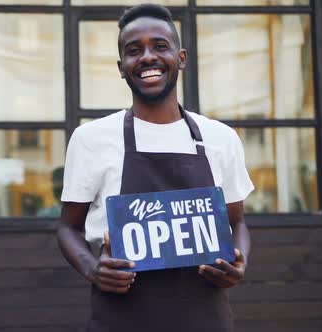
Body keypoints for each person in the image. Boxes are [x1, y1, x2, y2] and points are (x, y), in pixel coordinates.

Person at [57, 4, 254, 331]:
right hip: (120, 319)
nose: (147, 57)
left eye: (160, 46)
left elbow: (238, 223)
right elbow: (67, 228)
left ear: (181, 58)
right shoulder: (91, 138)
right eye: (134, 51)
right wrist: (93, 269)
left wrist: (239, 261)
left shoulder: (221, 138)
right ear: (122, 67)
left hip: (205, 320)